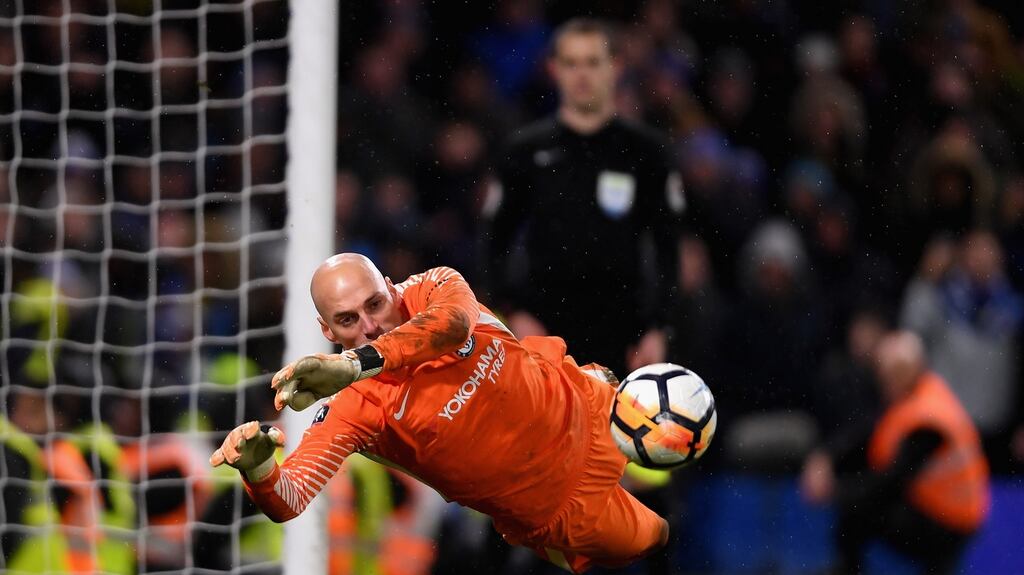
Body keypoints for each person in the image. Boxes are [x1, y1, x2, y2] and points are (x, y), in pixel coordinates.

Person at [209, 253, 669, 573]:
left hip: (592, 407)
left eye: (375, 304)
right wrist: (257, 466)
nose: (370, 325)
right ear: (325, 328)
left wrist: (355, 363)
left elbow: (453, 326)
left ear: (390, 287)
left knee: (687, 448)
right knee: (659, 539)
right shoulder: (352, 409)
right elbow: (289, 498)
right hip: (561, 502)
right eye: (348, 320)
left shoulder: (434, 285)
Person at [484, 17, 684, 379]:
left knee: (617, 435)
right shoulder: (525, 151)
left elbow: (669, 248)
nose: (582, 75)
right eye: (571, 63)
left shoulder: (647, 152)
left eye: (593, 62)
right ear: (553, 69)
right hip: (543, 333)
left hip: (625, 334)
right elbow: (492, 242)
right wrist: (512, 312)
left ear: (616, 67)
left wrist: (658, 327)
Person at [800, 330, 989, 575]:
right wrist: (824, 458)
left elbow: (891, 482)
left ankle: (846, 569)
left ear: (916, 368)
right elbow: (865, 433)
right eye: (885, 371)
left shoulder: (929, 419)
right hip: (939, 511)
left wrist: (837, 492)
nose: (888, 378)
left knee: (860, 509)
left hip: (949, 522)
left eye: (897, 370)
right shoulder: (910, 397)